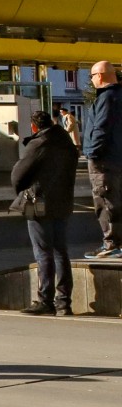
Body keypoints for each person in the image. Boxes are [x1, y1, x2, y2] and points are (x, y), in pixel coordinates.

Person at [11, 110, 78, 315]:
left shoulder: (38, 143)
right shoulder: (66, 142)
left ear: (34, 126)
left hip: (38, 200)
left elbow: (18, 174)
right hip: (63, 201)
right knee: (60, 251)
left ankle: (45, 300)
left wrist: (21, 190)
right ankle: (63, 302)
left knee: (43, 252)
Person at [86, 60, 120, 259]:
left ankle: (111, 243)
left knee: (104, 200)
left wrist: (92, 151)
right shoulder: (119, 95)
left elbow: (101, 127)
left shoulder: (106, 97)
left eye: (91, 76)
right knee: (116, 199)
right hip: (117, 157)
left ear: (99, 76)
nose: (91, 80)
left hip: (104, 159)